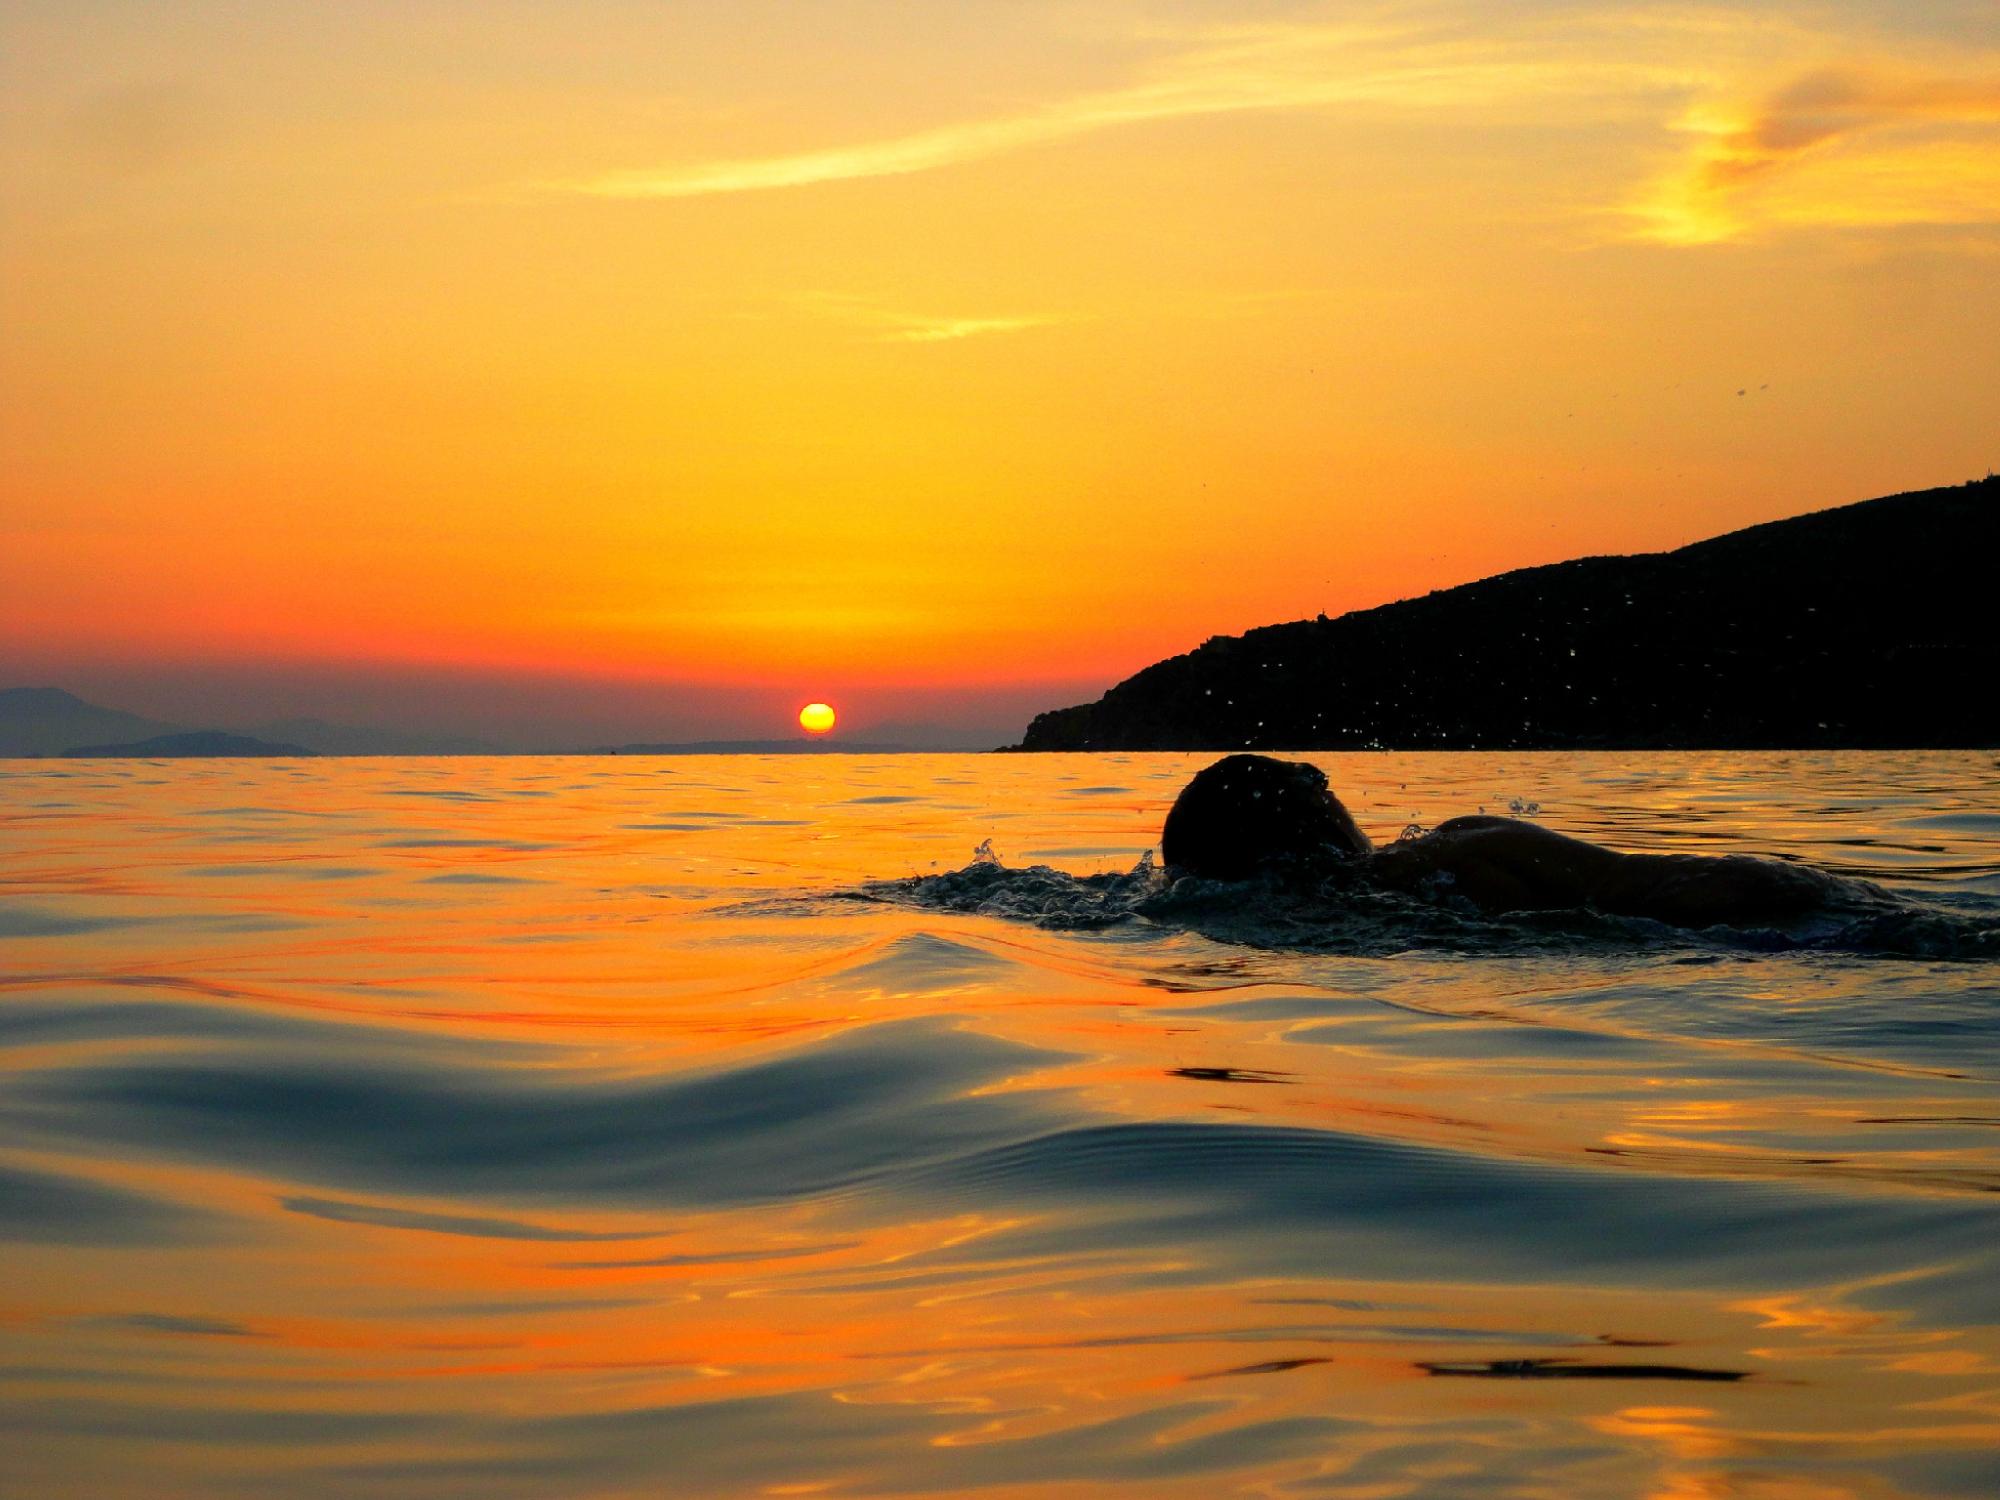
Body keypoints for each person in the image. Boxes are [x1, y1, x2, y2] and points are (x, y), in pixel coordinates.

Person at [1160, 754, 1846, 927]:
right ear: (1318, 796)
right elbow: (1641, 894)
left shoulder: (1324, 914)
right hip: (1769, 908)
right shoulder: (1452, 846)